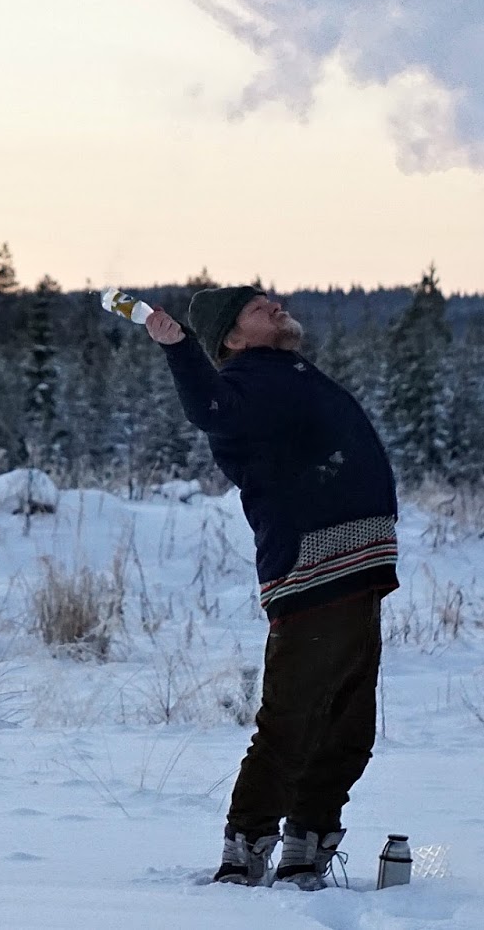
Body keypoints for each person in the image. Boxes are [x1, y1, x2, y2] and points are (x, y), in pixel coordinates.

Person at [146, 286, 398, 890]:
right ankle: (246, 850)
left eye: (273, 301)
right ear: (232, 339)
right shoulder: (246, 383)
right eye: (259, 309)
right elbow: (210, 408)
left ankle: (306, 845)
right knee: (294, 719)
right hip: (316, 567)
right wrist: (179, 348)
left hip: (354, 568)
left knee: (347, 726)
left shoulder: (286, 372)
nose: (277, 307)